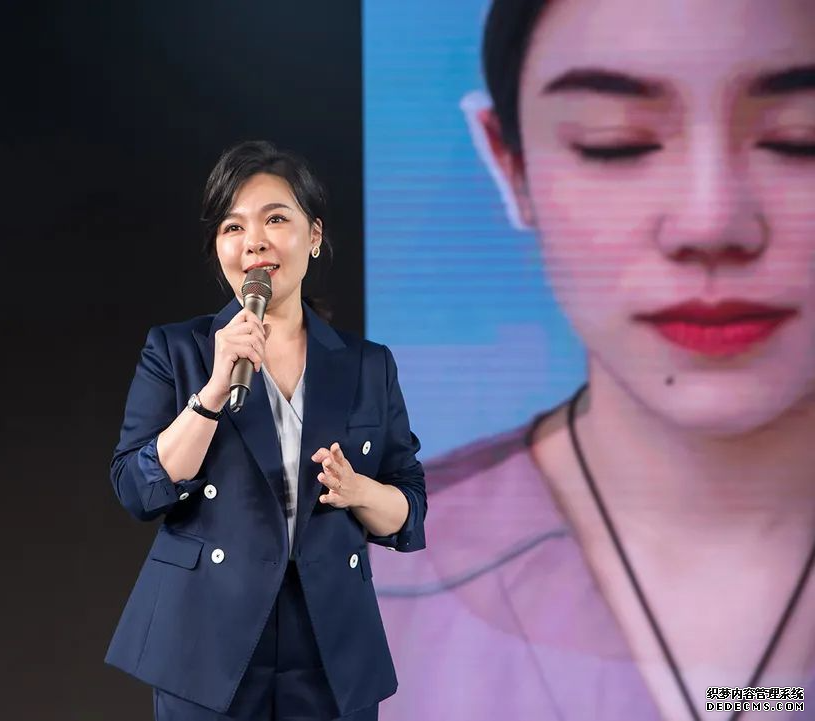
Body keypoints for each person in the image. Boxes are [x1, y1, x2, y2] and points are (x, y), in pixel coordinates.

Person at [369, 1, 815, 720]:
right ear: (510, 164)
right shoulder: (357, 588)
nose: (709, 223)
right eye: (616, 144)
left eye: (800, 140)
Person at [105, 140, 427, 720]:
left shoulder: (367, 365)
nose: (253, 241)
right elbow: (137, 489)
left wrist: (359, 491)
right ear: (219, 248)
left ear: (314, 235)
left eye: (275, 219)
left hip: (329, 642)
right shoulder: (176, 350)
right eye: (233, 227)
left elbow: (409, 509)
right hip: (206, 637)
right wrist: (211, 392)